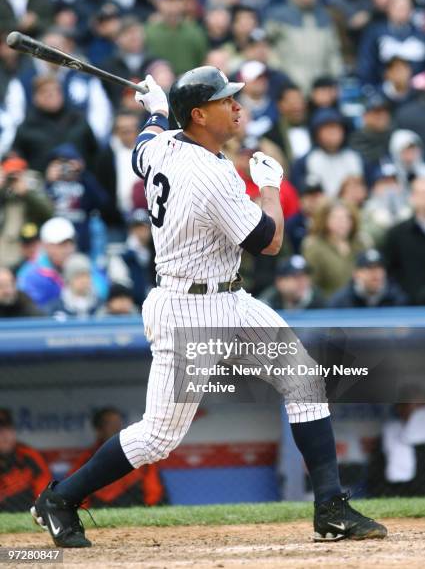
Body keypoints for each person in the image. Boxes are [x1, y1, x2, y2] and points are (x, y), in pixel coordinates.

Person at [31, 66, 386, 548]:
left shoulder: (162, 145)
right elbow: (269, 240)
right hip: (188, 309)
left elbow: (142, 146)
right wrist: (268, 186)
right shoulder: (211, 174)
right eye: (225, 101)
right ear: (199, 115)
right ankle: (60, 498)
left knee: (304, 378)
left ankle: (331, 507)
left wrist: (157, 112)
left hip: (230, 298)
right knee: (158, 437)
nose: (237, 106)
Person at [70, 407, 165, 508]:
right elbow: (75, 490)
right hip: (99, 508)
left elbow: (153, 491)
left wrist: (151, 507)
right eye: (111, 425)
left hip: (135, 507)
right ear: (99, 430)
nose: (116, 428)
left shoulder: (138, 452)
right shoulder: (87, 458)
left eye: (118, 424)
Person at [302, 199, 369, 298]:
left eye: (347, 218)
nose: (343, 222)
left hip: (359, 305)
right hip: (329, 307)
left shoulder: (360, 243)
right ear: (325, 220)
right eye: (336, 218)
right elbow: (312, 284)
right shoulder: (315, 247)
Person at [0, 155, 53, 268]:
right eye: (10, 173)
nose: (13, 178)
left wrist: (26, 193)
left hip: (30, 242)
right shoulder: (3, 188)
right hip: (6, 245)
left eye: (17, 173)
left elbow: (48, 212)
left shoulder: (33, 182)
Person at [383, 176, 425, 304]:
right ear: (411, 197)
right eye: (420, 193)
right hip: (408, 308)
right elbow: (389, 271)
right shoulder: (397, 233)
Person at [0, 408, 51, 512]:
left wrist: (40, 510)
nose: (5, 435)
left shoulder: (28, 455)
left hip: (31, 513)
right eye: (0, 431)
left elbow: (44, 492)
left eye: (8, 428)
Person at [327, 249, 408, 308]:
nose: (375, 274)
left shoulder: (397, 298)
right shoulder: (341, 302)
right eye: (369, 269)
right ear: (356, 274)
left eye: (379, 268)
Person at [259, 255, 326, 310]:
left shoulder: (318, 301)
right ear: (280, 281)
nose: (303, 281)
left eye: (306, 276)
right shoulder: (267, 303)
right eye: (296, 277)